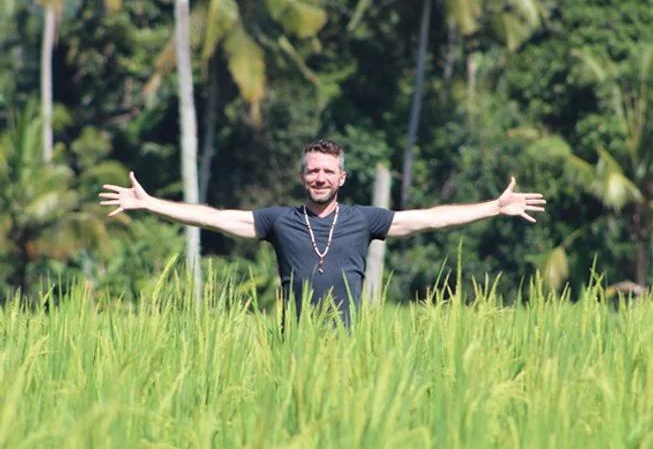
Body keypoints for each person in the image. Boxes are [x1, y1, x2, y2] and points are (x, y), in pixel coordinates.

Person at [99, 139, 546, 324]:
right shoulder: (278, 221)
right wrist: (151, 203)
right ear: (302, 177)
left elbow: (429, 218)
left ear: (341, 178)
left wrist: (493, 207)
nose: (320, 177)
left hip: (348, 347)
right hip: (292, 345)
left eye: (328, 171)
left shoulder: (364, 220)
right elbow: (214, 218)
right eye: (313, 171)